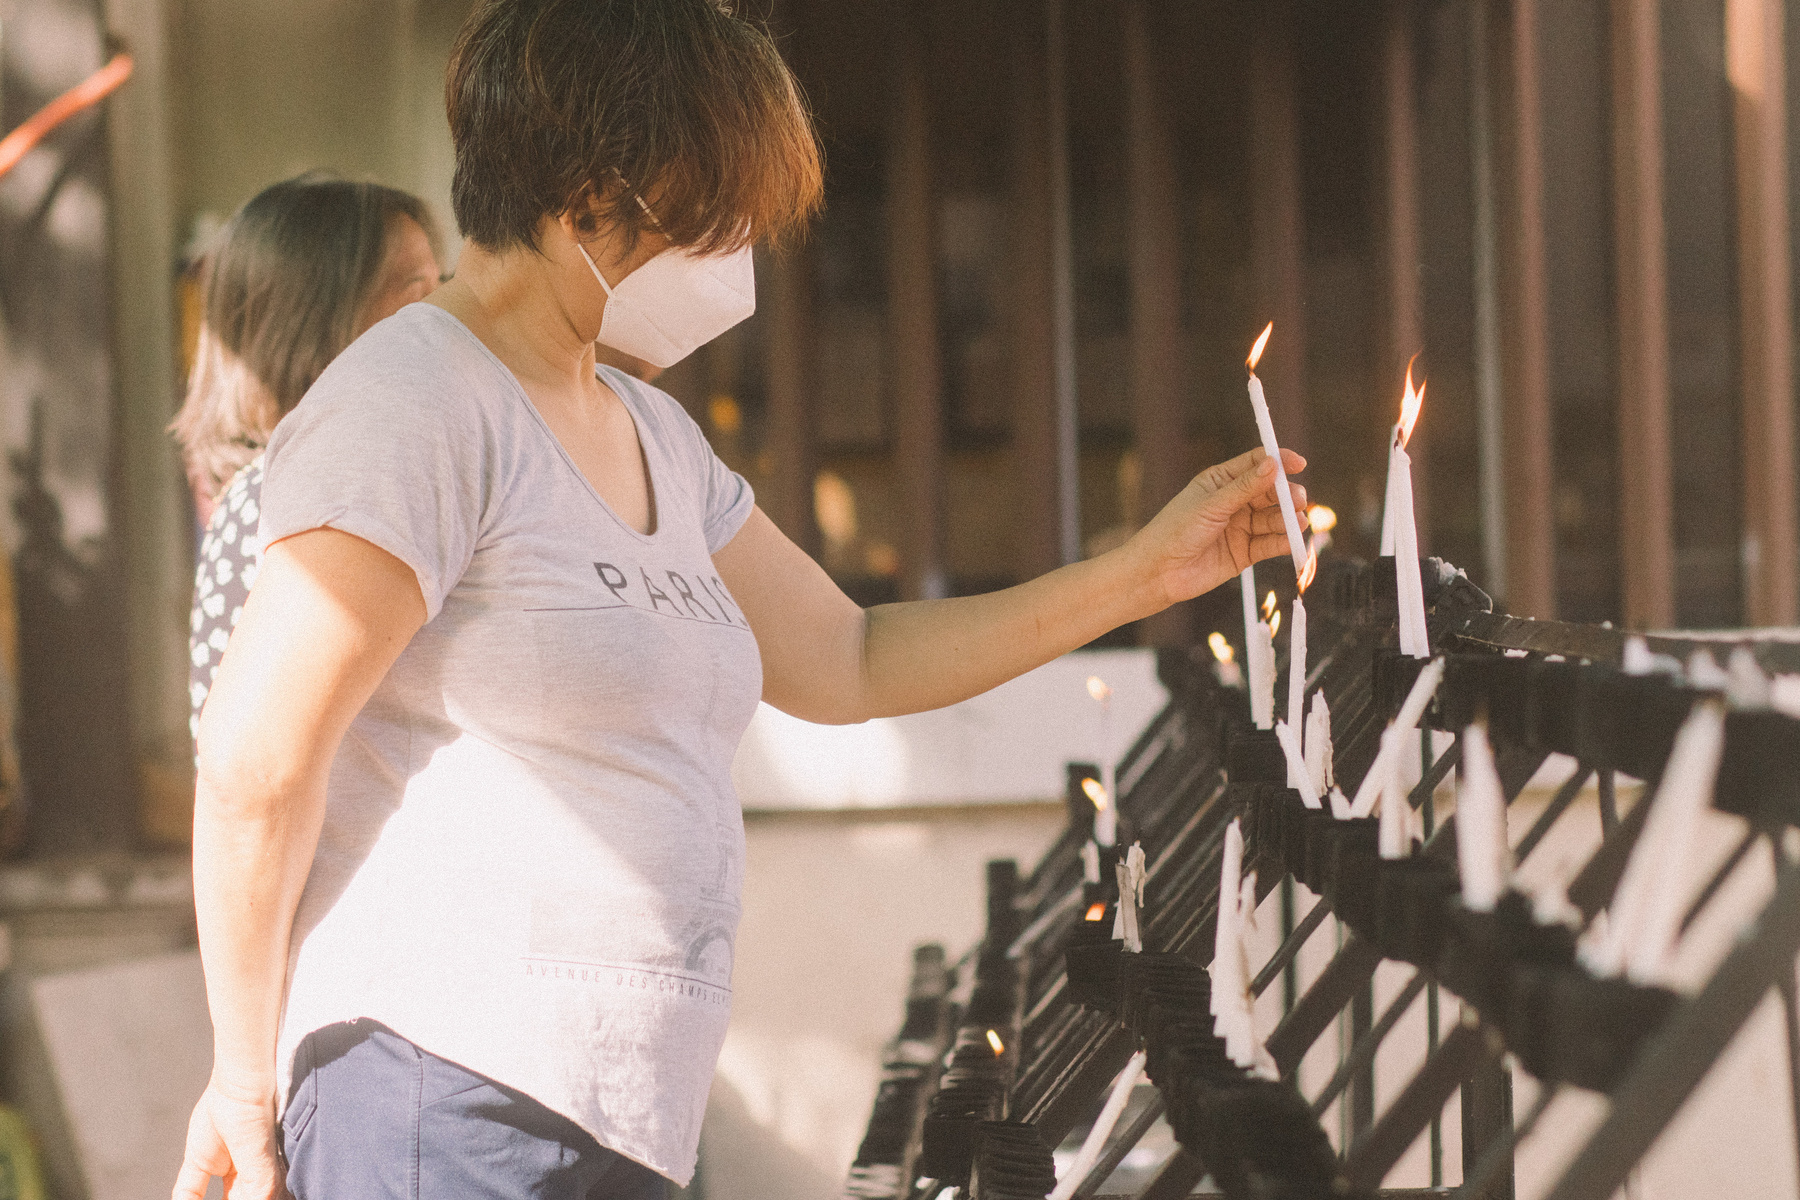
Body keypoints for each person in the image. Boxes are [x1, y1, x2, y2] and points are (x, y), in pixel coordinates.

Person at [174, 4, 1308, 1199]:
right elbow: (256, 766)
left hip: (623, 1109)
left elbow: (853, 656)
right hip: (445, 1092)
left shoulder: (651, 430)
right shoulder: (415, 401)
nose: (735, 261)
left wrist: (1141, 573)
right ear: (585, 203)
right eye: (707, 220)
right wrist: (244, 1082)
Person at [173, 176, 443, 748]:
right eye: (414, 291)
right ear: (311, 323)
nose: (446, 314)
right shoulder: (274, 506)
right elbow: (249, 765)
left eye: (441, 284)